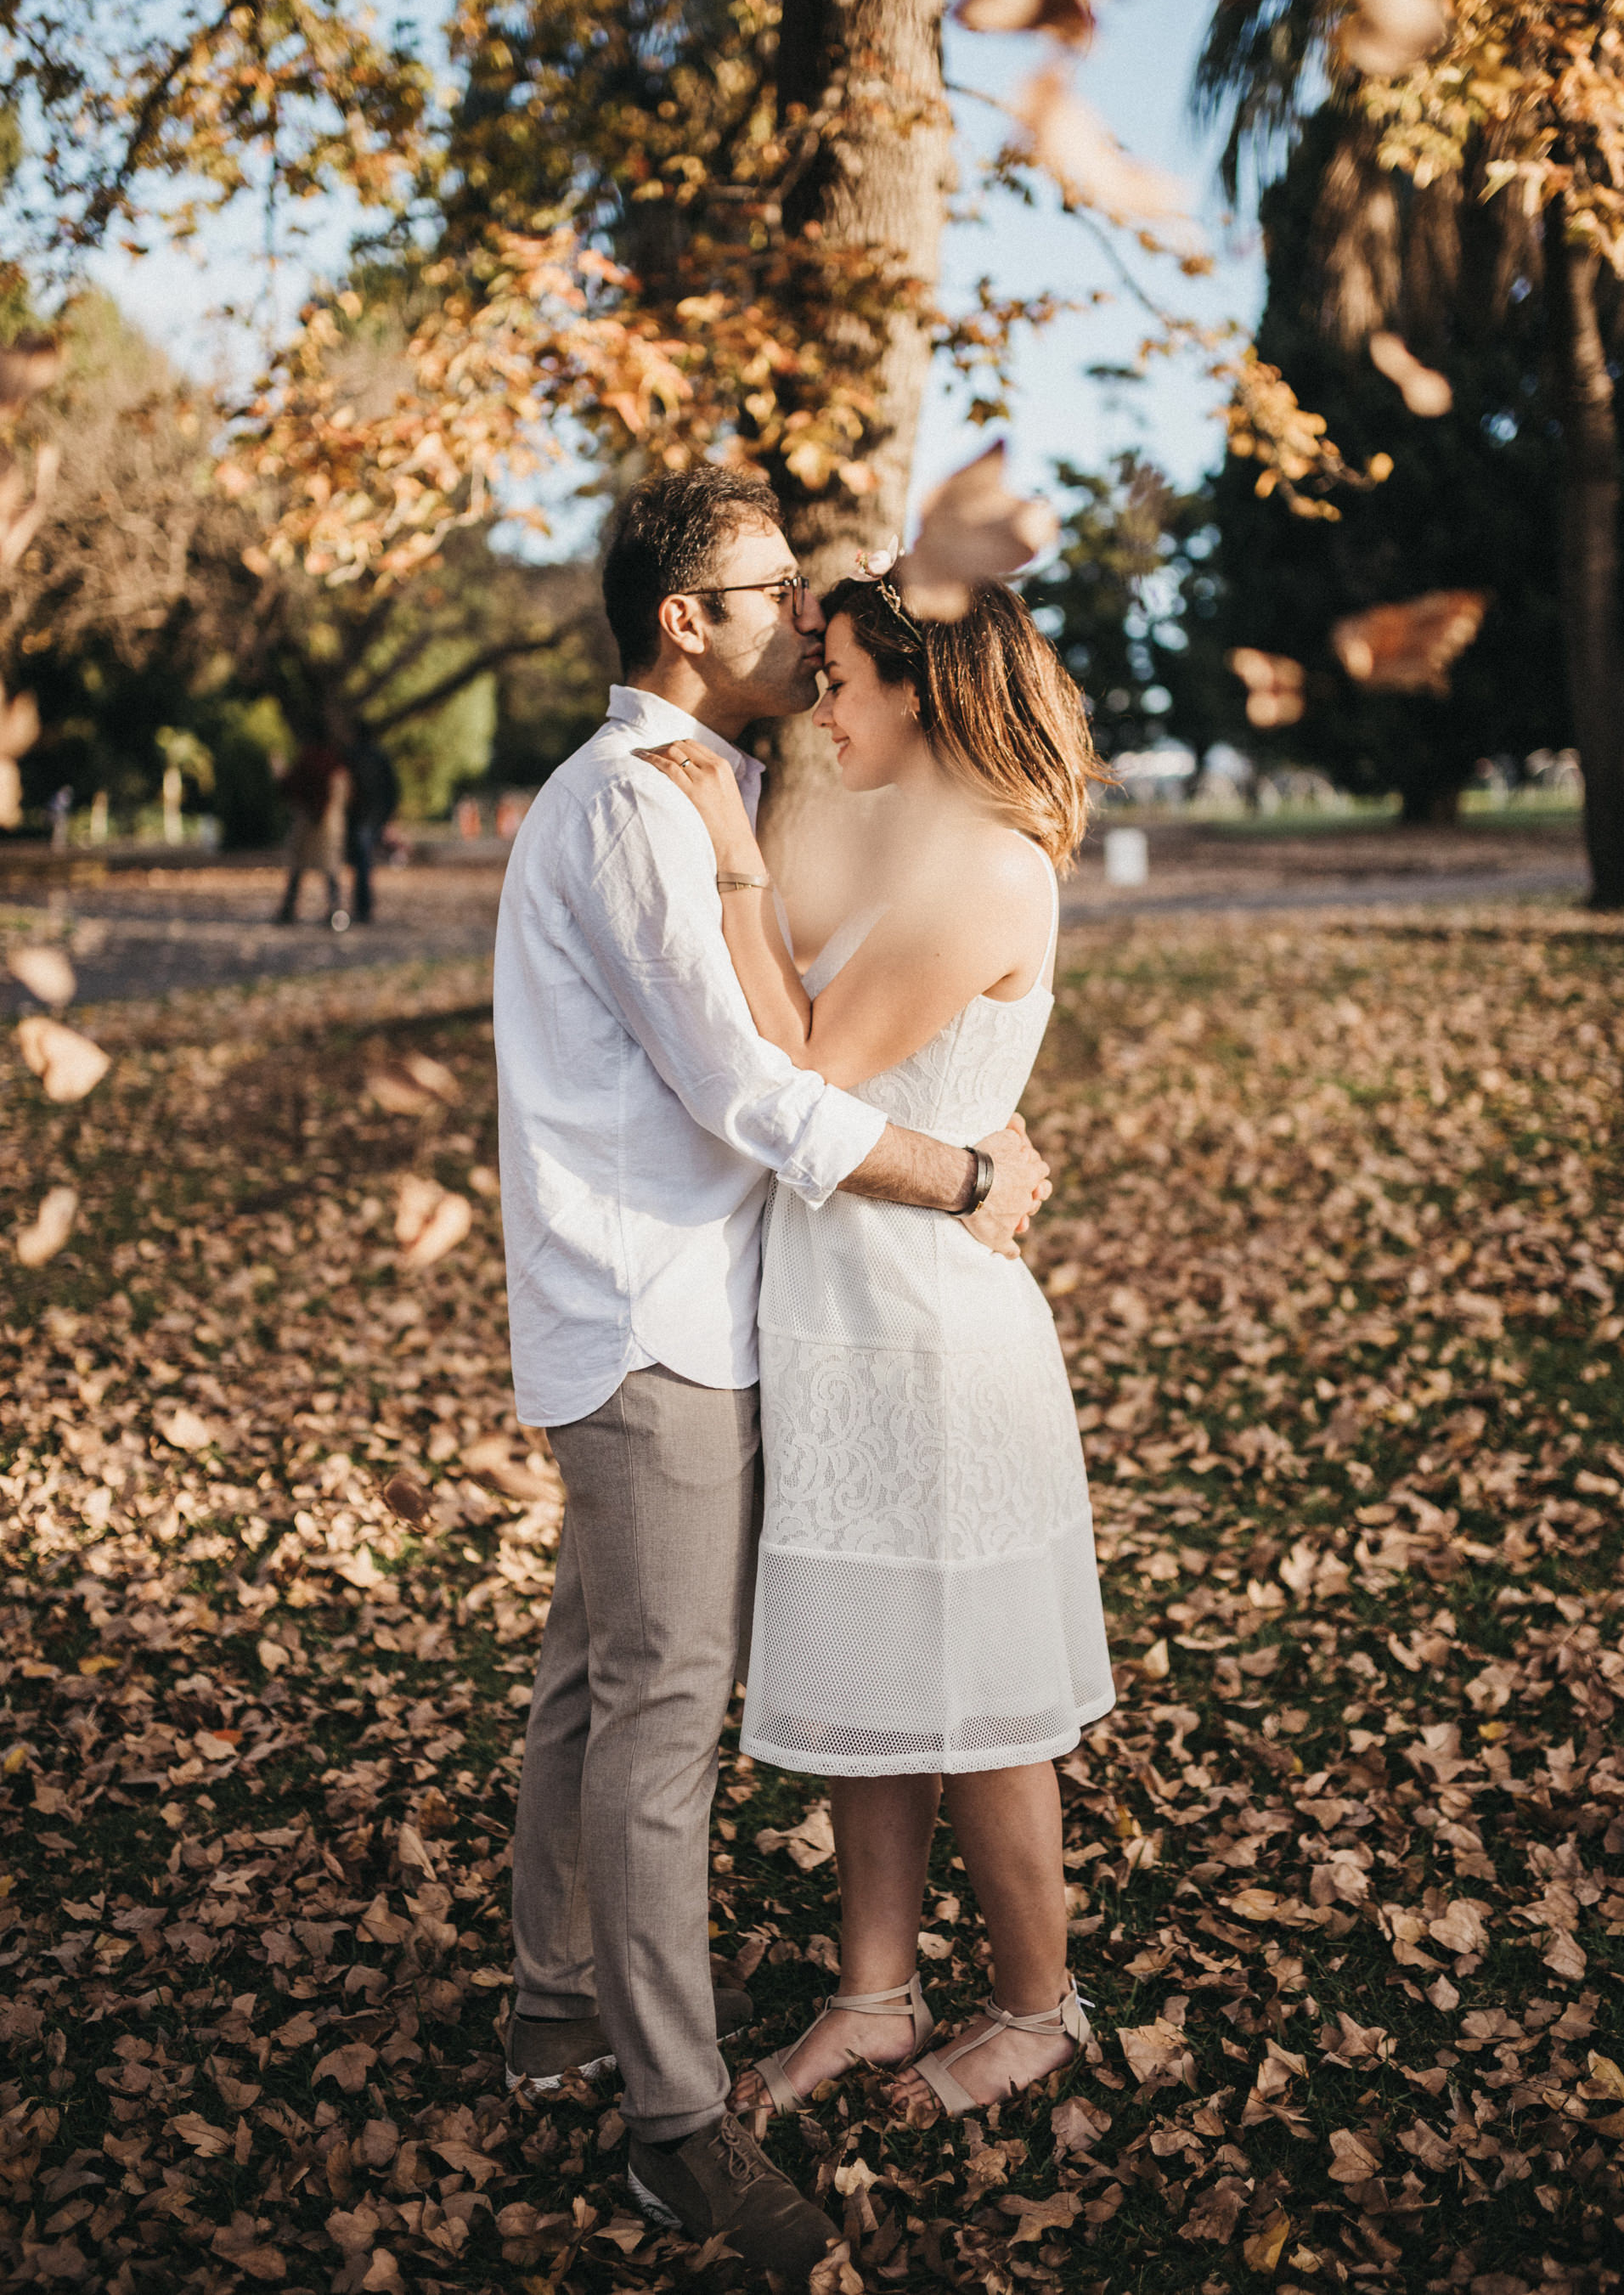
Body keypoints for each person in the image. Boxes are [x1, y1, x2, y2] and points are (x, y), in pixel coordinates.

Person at [493, 468, 1050, 2281]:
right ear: (682, 616)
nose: (801, 618)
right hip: (655, 1318)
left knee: (597, 1689)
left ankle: (567, 2008)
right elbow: (758, 1090)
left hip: (672, 1307)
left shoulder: (708, 788)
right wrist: (965, 1171)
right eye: (771, 591)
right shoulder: (644, 804)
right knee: (660, 1723)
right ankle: (673, 2129)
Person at [639, 565, 1115, 2129]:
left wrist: (726, 870)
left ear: (926, 684)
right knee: (871, 1678)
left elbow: (812, 1069)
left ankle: (1040, 2008)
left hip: (928, 1333)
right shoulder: (917, 848)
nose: (822, 703)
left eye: (841, 675)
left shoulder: (989, 864)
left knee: (974, 1694)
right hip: (844, 1321)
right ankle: (877, 1993)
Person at [274, 741, 350, 929]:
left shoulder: (310, 760)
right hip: (327, 820)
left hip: (313, 819)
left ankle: (291, 908)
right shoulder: (335, 761)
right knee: (326, 866)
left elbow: (292, 787)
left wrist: (280, 773)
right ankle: (333, 909)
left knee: (303, 865)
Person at [343, 732, 400, 925]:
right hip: (372, 816)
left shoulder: (352, 757)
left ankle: (362, 906)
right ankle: (363, 906)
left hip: (362, 817)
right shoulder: (378, 758)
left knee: (361, 862)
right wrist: (386, 815)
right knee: (362, 862)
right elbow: (392, 788)